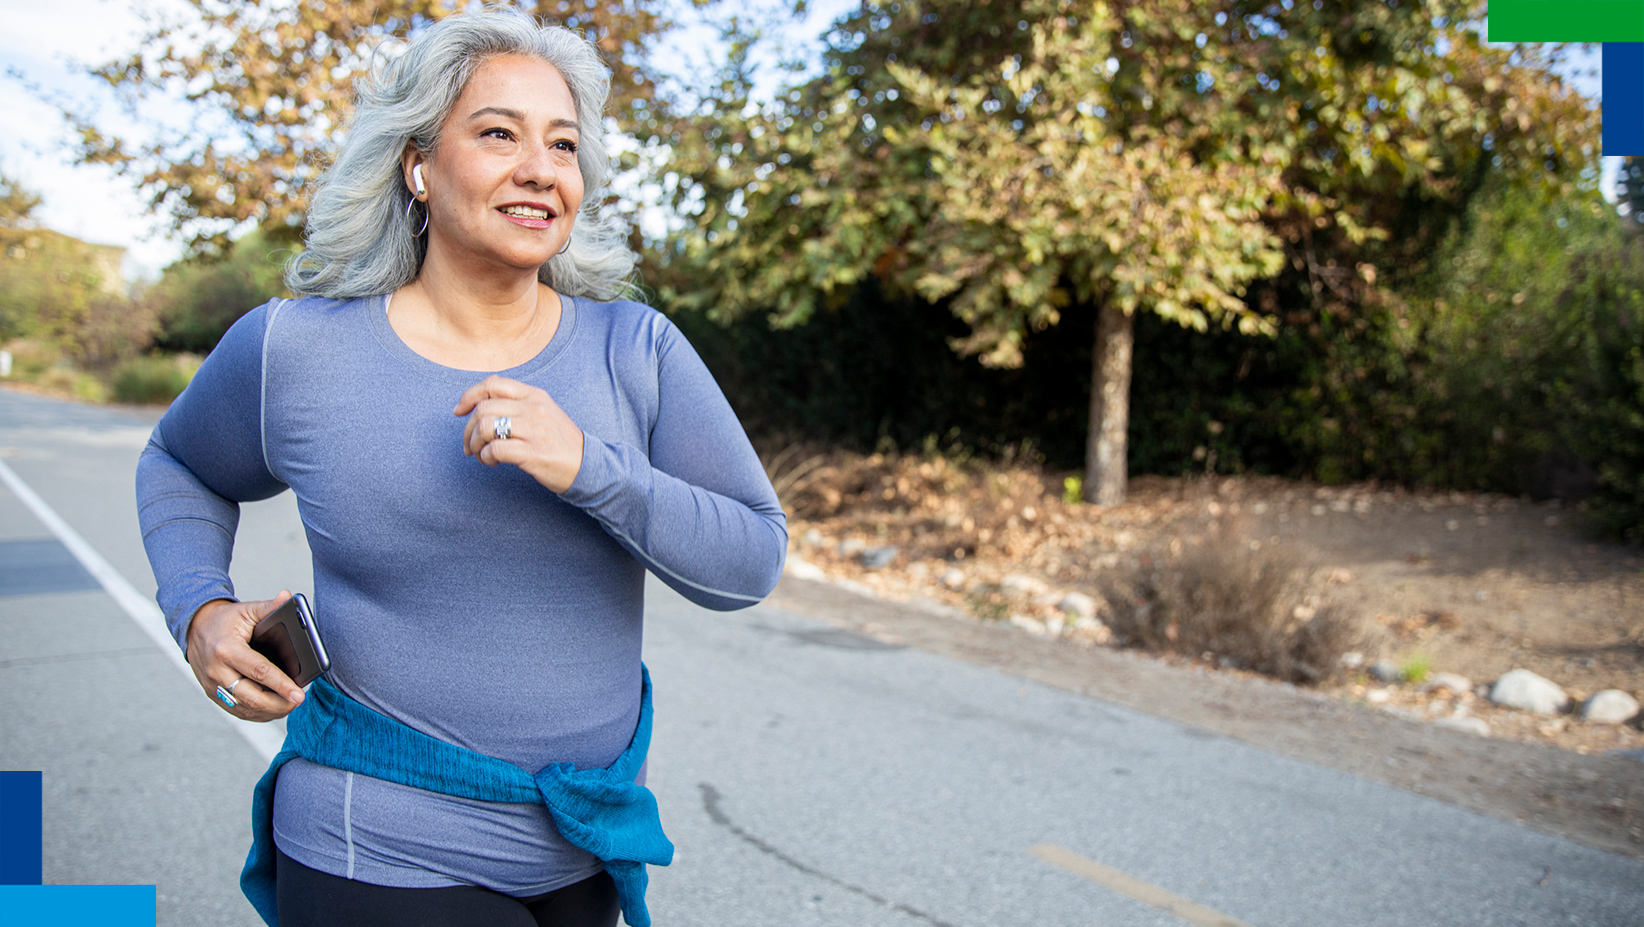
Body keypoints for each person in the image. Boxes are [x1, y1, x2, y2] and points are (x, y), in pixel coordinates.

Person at [135, 10, 786, 927]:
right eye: (497, 134)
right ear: (418, 167)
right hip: (379, 843)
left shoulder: (637, 350)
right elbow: (180, 460)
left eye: (563, 144)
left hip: (584, 844)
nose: (541, 168)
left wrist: (593, 467)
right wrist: (197, 604)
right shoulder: (299, 349)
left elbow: (752, 561)